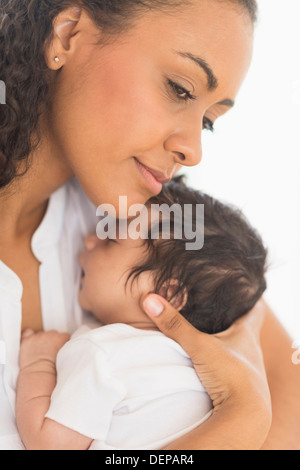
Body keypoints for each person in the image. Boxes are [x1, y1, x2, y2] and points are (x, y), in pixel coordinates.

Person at [0, 0, 299, 450]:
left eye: (208, 122)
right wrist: (241, 416)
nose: (194, 150)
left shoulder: (141, 227)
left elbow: (289, 383)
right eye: (180, 88)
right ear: (67, 36)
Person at [16, 177, 268, 450]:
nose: (90, 240)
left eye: (111, 239)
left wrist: (38, 363)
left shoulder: (101, 353)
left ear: (167, 295)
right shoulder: (205, 374)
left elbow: (50, 445)